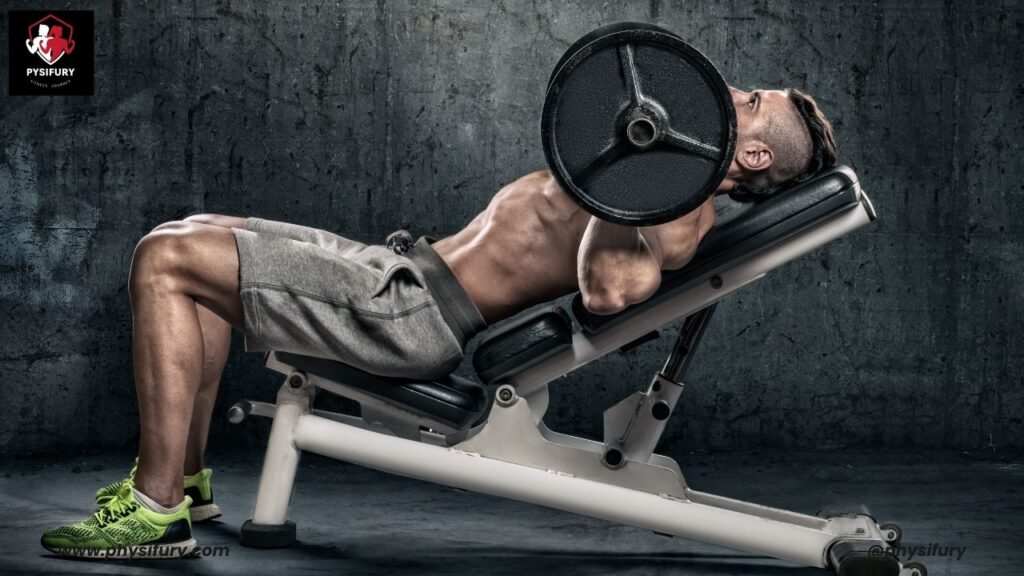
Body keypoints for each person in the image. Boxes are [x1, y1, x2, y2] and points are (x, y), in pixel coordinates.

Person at [40, 86, 836, 557]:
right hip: (396, 271)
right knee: (188, 234)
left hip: (408, 313)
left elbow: (606, 293)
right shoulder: (665, 174)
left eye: (751, 100)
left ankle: (154, 509)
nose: (732, 90)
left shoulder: (678, 209)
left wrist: (636, 183)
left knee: (162, 262)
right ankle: (185, 481)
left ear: (756, 157)